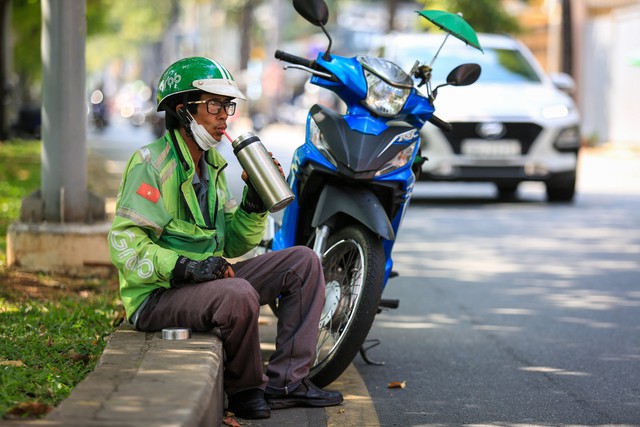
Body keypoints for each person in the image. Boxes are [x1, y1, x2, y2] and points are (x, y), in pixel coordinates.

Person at [107, 56, 343, 420]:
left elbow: (232, 244)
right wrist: (186, 266)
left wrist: (254, 202)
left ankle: (286, 383)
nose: (224, 116)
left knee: (304, 262)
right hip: (157, 297)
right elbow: (126, 245)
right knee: (239, 294)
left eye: (227, 106)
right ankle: (246, 388)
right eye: (214, 105)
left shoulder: (213, 166)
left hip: (207, 284)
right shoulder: (150, 164)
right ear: (183, 110)